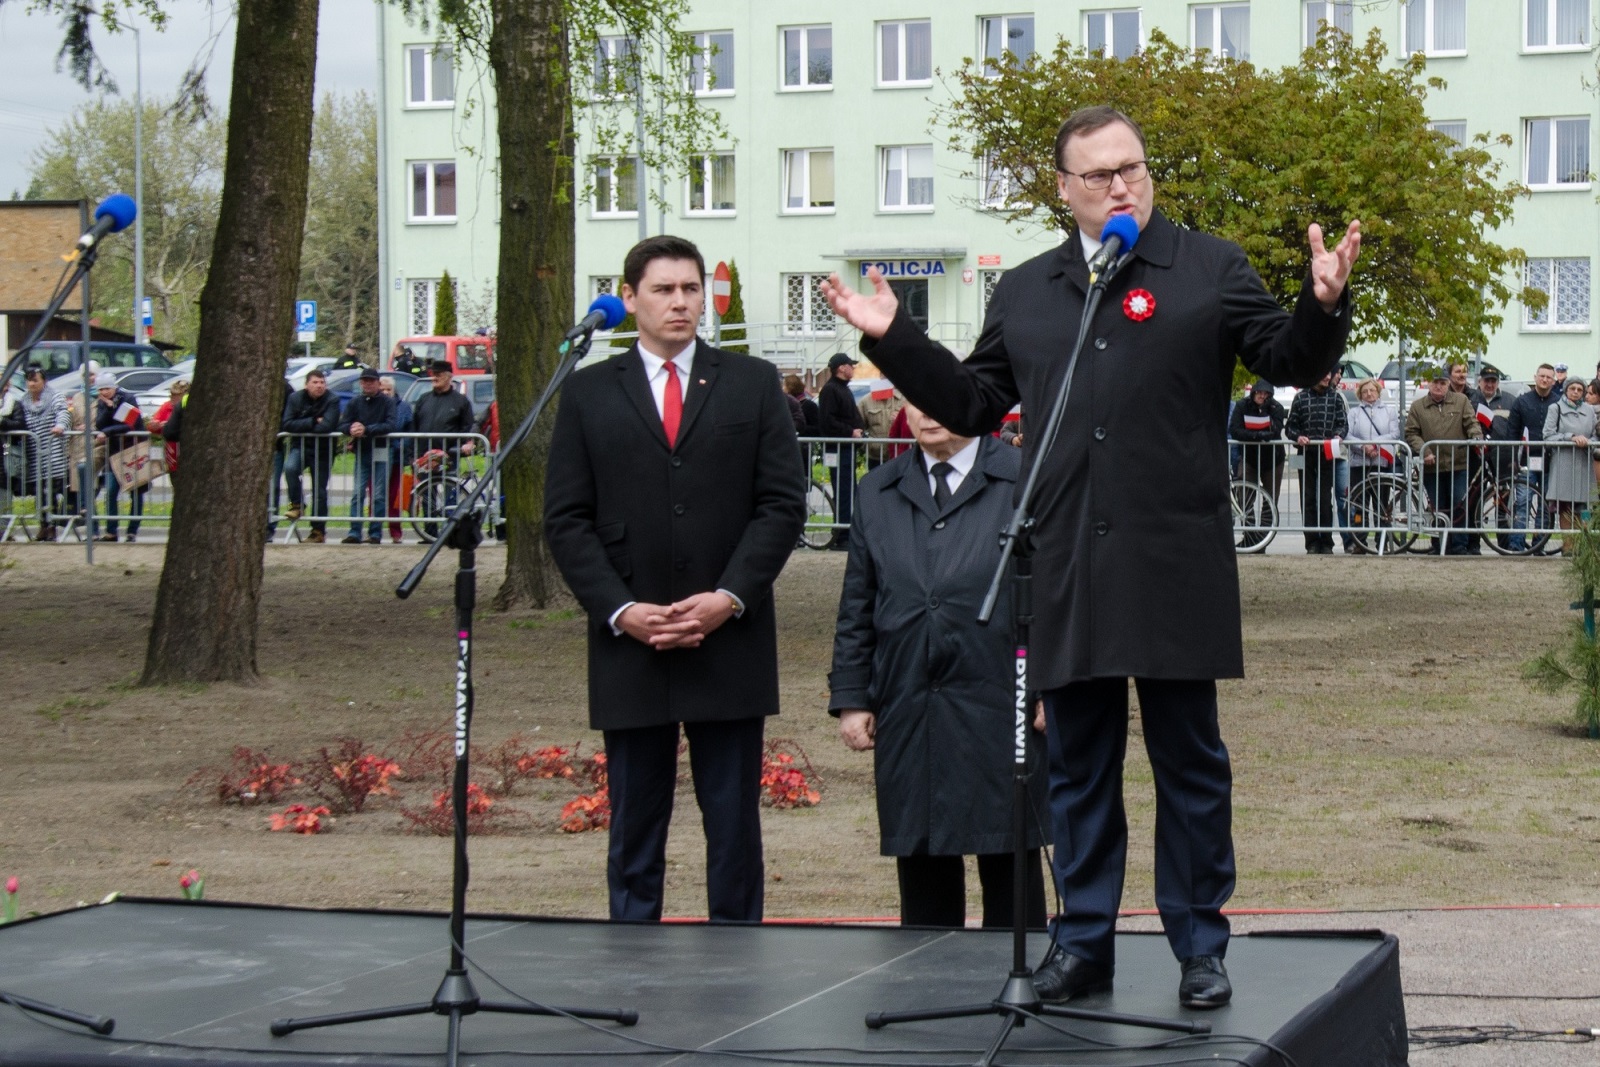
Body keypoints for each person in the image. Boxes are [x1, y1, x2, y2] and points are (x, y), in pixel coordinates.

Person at [820, 105, 1359, 1009]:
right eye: (1100, 174)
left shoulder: (1207, 266)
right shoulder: (1029, 290)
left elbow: (1287, 358)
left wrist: (1321, 303)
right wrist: (893, 337)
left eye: (1133, 167)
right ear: (1064, 189)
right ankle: (1084, 942)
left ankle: (1199, 945)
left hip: (1174, 564)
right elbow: (975, 398)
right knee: (1076, 767)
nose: (1122, 184)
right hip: (1068, 564)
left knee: (1191, 763)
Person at [544, 234, 806, 923]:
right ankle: (633, 957)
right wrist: (620, 608)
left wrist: (730, 597)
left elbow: (781, 504)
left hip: (728, 637)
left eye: (691, 288)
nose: (681, 302)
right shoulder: (588, 392)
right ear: (628, 299)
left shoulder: (751, 383)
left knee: (733, 828)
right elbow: (566, 518)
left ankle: (737, 951)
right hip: (634, 642)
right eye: (663, 289)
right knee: (634, 825)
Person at [829, 402, 1050, 929]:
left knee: (1010, 858)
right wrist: (853, 696)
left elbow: (1061, 590)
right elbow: (857, 603)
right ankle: (925, 990)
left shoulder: (1026, 478)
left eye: (941, 398)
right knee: (923, 859)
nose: (929, 413)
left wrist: (1052, 686)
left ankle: (1019, 992)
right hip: (909, 699)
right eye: (914, 398)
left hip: (1003, 696)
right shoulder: (878, 490)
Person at [1404, 371, 1482, 554]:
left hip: (1459, 464)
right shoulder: (1418, 407)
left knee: (1459, 506)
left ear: (1448, 384)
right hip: (1432, 467)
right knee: (1437, 507)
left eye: (1442, 383)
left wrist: (1476, 435)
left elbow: (1471, 422)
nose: (1439, 386)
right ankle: (1439, 545)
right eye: (1435, 382)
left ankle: (1459, 545)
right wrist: (1425, 451)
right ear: (1428, 384)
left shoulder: (1461, 401)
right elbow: (1411, 433)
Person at [1, 367, 70, 540]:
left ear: (44, 381)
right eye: (29, 380)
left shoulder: (55, 396)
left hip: (52, 450)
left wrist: (60, 426)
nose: (31, 384)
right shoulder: (23, 400)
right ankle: (43, 525)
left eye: (35, 380)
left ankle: (51, 526)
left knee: (50, 490)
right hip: (33, 452)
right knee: (39, 491)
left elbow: (63, 412)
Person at [1285, 371, 1348, 554]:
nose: (1327, 378)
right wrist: (1298, 437)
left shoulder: (1335, 398)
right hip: (1305, 454)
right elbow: (1290, 426)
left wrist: (1338, 435)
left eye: (1329, 374)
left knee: (1324, 498)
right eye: (1323, 374)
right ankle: (1311, 541)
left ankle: (1327, 542)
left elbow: (1342, 423)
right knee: (1308, 498)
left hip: (1327, 453)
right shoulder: (1301, 397)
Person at [338, 367, 398, 545]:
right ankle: (354, 531)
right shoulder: (355, 402)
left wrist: (366, 430)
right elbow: (343, 424)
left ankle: (375, 532)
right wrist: (351, 429)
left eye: (371, 381)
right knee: (357, 492)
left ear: (378, 383)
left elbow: (390, 425)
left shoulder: (387, 402)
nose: (368, 384)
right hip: (362, 450)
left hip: (381, 449)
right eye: (364, 381)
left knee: (379, 494)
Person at [280, 368, 342, 543]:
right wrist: (314, 420)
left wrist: (305, 423)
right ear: (306, 385)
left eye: (322, 382)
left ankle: (318, 531)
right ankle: (297, 504)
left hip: (323, 451)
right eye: (315, 382)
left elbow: (328, 426)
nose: (319, 386)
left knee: (319, 492)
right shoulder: (295, 398)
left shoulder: (332, 399)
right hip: (300, 446)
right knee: (290, 468)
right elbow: (288, 424)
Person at [1506, 364, 1560, 551]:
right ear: (1535, 377)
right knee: (1522, 502)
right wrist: (1512, 458)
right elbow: (1512, 432)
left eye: (1548, 377)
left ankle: (1539, 545)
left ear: (1553, 380)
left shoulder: (1558, 402)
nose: (1545, 380)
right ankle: (1517, 544)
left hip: (1551, 462)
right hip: (1525, 461)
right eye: (1542, 376)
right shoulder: (1521, 402)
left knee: (1545, 506)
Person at [818, 353, 866, 550]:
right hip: (838, 448)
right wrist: (850, 432)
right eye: (850, 365)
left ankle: (846, 531)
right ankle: (841, 534)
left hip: (846, 447)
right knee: (843, 490)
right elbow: (827, 421)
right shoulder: (830, 390)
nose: (853, 368)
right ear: (841, 368)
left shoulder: (842, 389)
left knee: (848, 490)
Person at [92, 370, 146, 543]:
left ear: (114, 387)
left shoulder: (129, 399)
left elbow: (128, 425)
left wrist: (107, 431)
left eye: (106, 389)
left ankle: (132, 531)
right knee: (111, 491)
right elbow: (100, 422)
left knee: (136, 492)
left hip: (133, 450)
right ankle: (111, 531)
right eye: (100, 390)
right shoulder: (103, 402)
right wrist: (108, 408)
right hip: (114, 452)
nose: (103, 393)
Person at [1543, 377, 1597, 550]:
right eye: (1572, 388)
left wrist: (1590, 442)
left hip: (1584, 463)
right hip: (1564, 464)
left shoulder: (1589, 411)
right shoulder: (1555, 408)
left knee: (1585, 507)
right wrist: (1571, 438)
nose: (1576, 392)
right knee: (1565, 508)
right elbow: (1548, 435)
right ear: (1566, 390)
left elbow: (1596, 434)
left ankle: (1585, 548)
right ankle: (1568, 548)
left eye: (1580, 389)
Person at [1227, 379, 1287, 505]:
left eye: (1266, 393)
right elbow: (1235, 430)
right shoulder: (1242, 405)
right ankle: (1248, 524)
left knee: (1271, 499)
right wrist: (1256, 435)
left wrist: (1264, 411)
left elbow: (1276, 430)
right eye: (1259, 392)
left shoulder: (1276, 407)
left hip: (1273, 460)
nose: (1262, 396)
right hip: (1249, 458)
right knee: (1245, 499)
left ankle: (1267, 524)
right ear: (1253, 392)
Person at [380, 375, 413, 543]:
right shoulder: (375, 406)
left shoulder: (404, 407)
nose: (385, 392)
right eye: (382, 390)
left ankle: (395, 531)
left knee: (395, 497)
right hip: (376, 456)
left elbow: (409, 430)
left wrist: (403, 445)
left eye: (388, 390)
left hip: (396, 457)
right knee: (376, 495)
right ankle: (375, 530)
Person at [856, 379, 904, 469]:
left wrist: (901, 418)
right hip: (875, 456)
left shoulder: (905, 400)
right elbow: (858, 427)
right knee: (876, 482)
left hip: (900, 454)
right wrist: (867, 445)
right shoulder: (866, 401)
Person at [146, 379, 189, 477]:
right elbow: (153, 424)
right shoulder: (166, 406)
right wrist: (155, 426)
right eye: (171, 395)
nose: (173, 399)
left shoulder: (187, 406)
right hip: (171, 451)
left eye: (176, 396)